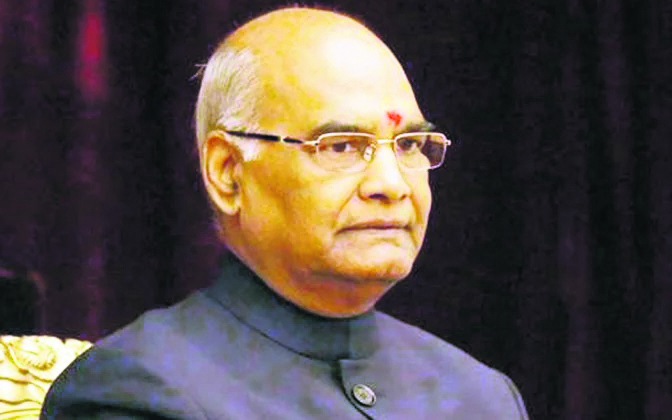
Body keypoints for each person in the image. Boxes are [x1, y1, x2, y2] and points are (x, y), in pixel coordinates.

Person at [42, 7, 529, 419]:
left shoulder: (481, 396)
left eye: (408, 145)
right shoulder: (140, 390)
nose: (392, 184)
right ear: (229, 173)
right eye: (341, 145)